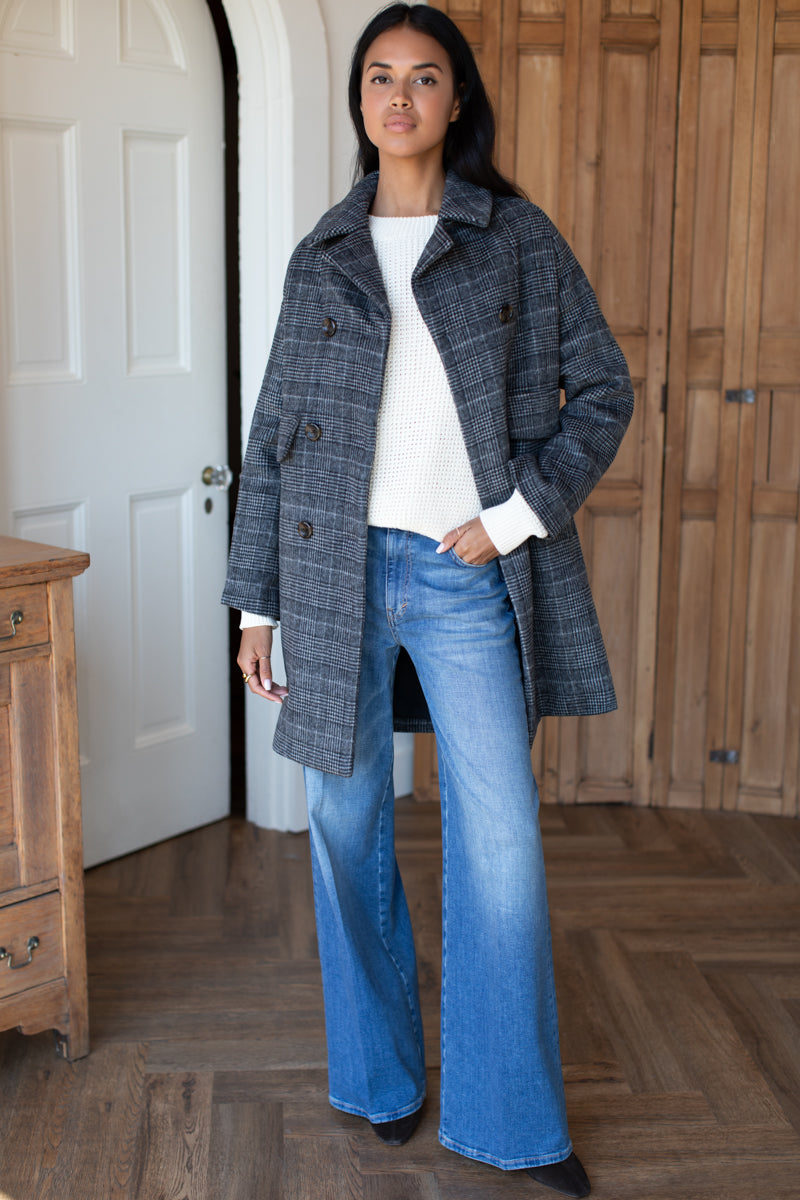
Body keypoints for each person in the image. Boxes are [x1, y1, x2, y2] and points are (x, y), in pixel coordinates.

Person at [222, 4, 633, 1195]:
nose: (398, 98)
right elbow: (275, 434)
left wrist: (514, 516)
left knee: (500, 842)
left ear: (457, 101)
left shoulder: (513, 238)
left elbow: (602, 389)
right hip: (331, 576)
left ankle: (514, 1122)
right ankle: (380, 1082)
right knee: (344, 826)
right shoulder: (323, 252)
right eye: (378, 77)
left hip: (462, 577)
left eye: (423, 78)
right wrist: (254, 607)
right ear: (360, 101)